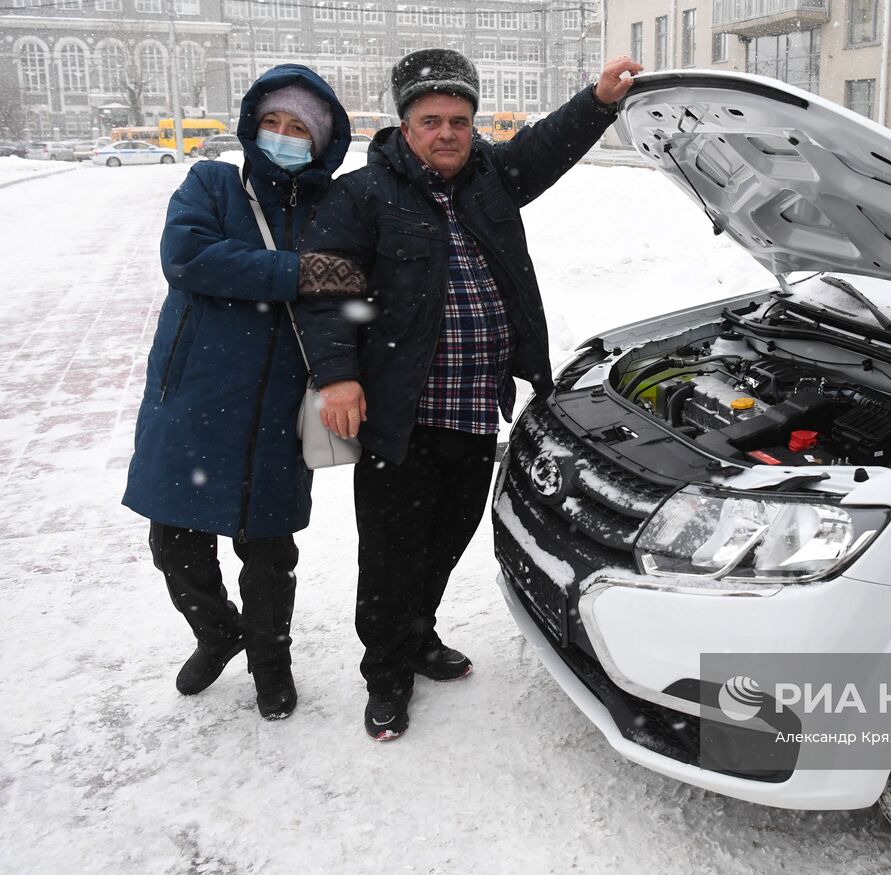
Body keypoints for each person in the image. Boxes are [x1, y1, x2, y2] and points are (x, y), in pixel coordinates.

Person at [296, 48, 643, 740]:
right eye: (432, 120)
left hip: (474, 410)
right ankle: (387, 671)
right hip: (403, 417)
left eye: (460, 119)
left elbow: (546, 147)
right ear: (404, 125)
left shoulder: (490, 178)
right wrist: (336, 374)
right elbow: (322, 288)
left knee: (449, 538)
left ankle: (418, 635)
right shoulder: (362, 196)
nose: (448, 132)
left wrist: (599, 102)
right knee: (392, 554)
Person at [123, 65, 362, 720]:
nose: (284, 137)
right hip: (195, 399)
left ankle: (270, 659)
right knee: (173, 542)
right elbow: (190, 258)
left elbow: (350, 289)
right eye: (274, 123)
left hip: (277, 408)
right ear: (254, 125)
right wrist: (298, 271)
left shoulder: (330, 208)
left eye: (300, 130)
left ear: (321, 144)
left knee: (269, 554)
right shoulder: (212, 183)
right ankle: (216, 630)